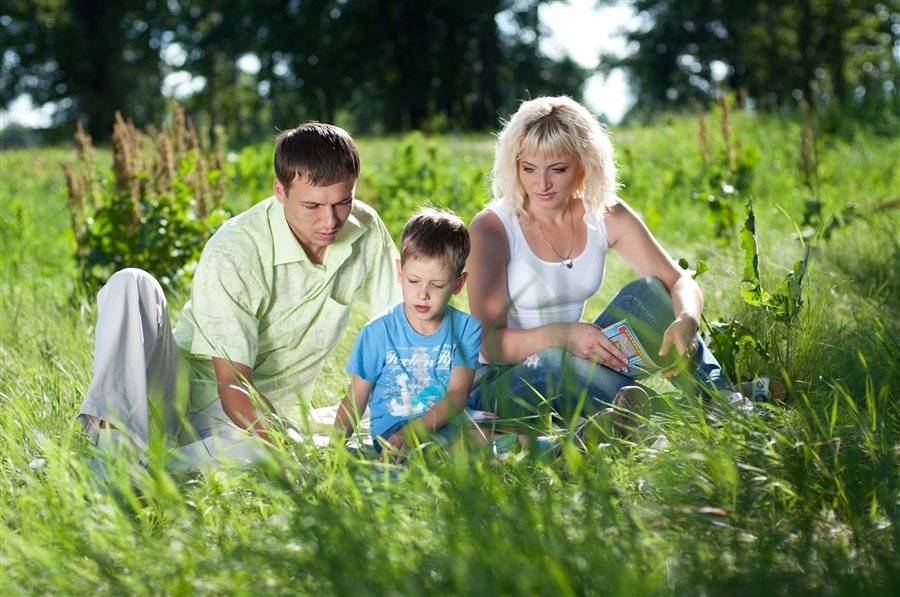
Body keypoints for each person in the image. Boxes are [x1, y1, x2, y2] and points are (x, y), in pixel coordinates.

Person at [77, 122, 402, 471]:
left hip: (256, 422)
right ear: (280, 190)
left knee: (272, 454)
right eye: (312, 205)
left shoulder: (363, 229)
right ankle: (112, 464)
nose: (330, 220)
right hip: (178, 396)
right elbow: (233, 386)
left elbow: (408, 321)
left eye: (343, 201)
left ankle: (148, 470)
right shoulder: (235, 250)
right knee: (131, 282)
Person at [465, 96, 751, 428]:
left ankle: (719, 396)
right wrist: (563, 336)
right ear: (514, 165)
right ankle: (700, 412)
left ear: (583, 164)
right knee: (554, 363)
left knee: (650, 293)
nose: (541, 184)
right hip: (501, 380)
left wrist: (687, 319)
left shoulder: (604, 213)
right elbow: (489, 345)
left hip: (571, 358)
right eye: (529, 168)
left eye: (557, 169)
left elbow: (678, 281)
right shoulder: (491, 228)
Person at [332, 208, 483, 457]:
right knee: (452, 448)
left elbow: (457, 395)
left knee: (481, 433)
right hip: (396, 429)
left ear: (458, 284)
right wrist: (333, 449)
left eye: (437, 285)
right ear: (400, 272)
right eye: (413, 281)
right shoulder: (378, 333)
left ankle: (541, 446)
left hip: (448, 421)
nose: (423, 294)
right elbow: (355, 399)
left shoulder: (466, 329)